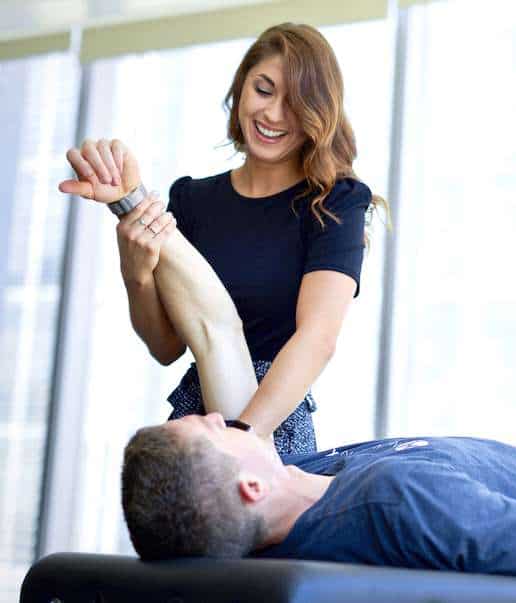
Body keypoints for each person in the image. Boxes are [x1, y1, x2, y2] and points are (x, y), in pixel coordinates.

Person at [63, 71, 516, 599]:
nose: (226, 416)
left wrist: (130, 202)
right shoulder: (390, 502)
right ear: (250, 479)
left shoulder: (311, 486)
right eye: (213, 428)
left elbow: (221, 327)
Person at [58, 23, 386, 454]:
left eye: (295, 102)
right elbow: (166, 345)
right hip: (198, 418)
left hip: (271, 422)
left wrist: (243, 440)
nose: (273, 114)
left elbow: (318, 338)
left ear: (317, 112)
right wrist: (136, 272)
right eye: (264, 90)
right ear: (241, 87)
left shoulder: (335, 202)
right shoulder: (192, 199)